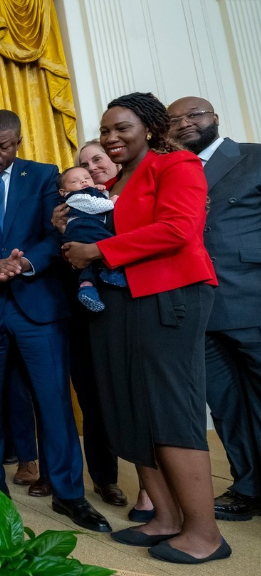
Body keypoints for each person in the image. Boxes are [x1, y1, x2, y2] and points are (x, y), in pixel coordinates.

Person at [64, 92, 228, 564]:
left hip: (171, 294)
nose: (111, 138)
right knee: (133, 405)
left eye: (122, 128)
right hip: (127, 300)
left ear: (151, 127)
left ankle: (204, 533)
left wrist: (97, 252)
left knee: (170, 407)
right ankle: (167, 517)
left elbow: (179, 228)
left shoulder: (176, 165)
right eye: (105, 130)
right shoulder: (119, 179)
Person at [0, 109, 108, 532]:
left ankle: (69, 494)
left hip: (38, 305)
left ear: (19, 142)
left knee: (54, 401)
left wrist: (25, 263)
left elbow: (60, 232)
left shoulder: (45, 175)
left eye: (4, 145)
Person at [168, 95, 261, 522]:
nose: (185, 123)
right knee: (227, 406)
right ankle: (249, 487)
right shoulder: (169, 172)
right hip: (196, 308)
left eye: (194, 115)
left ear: (215, 118)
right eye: (175, 120)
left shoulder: (252, 158)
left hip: (250, 300)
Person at [54, 141, 134, 515]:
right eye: (83, 164)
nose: (92, 167)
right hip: (80, 310)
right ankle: (106, 477)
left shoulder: (128, 194)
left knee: (128, 395)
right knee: (92, 396)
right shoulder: (71, 206)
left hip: (128, 310)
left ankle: (155, 486)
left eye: (96, 160)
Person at [56, 166, 126, 312]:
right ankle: (111, 272)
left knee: (89, 263)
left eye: (87, 178)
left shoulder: (91, 192)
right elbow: (95, 205)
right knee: (109, 243)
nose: (83, 182)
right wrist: (111, 201)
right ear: (63, 192)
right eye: (75, 181)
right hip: (84, 230)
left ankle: (87, 287)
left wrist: (102, 191)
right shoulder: (75, 197)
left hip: (87, 231)